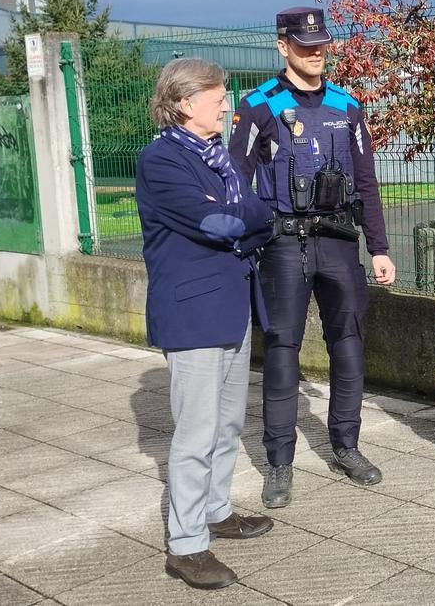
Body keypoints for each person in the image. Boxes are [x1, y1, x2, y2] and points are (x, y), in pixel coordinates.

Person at [229, 6, 396, 508]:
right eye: (304, 46)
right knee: (282, 351)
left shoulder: (348, 106)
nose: (315, 53)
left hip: (340, 242)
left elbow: (366, 182)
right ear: (283, 47)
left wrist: (380, 247)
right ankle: (279, 462)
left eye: (321, 44)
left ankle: (347, 445)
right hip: (283, 246)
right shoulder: (258, 105)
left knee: (348, 343)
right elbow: (236, 180)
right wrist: (253, 235)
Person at [136, 58, 277, 590]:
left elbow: (253, 213)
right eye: (218, 97)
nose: (227, 105)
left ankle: (216, 511)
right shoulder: (161, 160)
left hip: (232, 308)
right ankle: (187, 545)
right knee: (195, 433)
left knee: (227, 425)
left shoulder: (218, 155)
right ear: (183, 102)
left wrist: (246, 222)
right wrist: (246, 223)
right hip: (193, 313)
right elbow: (217, 222)